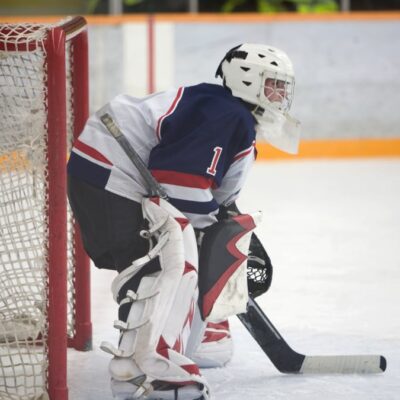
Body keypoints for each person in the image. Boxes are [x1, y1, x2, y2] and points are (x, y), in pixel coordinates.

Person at [67, 43, 300, 400]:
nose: (280, 95)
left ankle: (173, 339)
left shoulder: (226, 114)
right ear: (247, 79)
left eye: (283, 87)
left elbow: (202, 190)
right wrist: (213, 231)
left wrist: (219, 224)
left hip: (106, 174)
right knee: (169, 258)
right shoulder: (228, 115)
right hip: (112, 176)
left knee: (177, 248)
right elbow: (179, 184)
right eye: (273, 84)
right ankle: (143, 368)